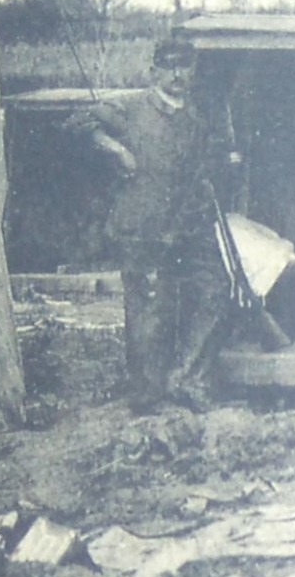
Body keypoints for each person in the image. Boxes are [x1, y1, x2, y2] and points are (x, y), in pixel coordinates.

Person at [74, 38, 240, 412]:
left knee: (215, 287)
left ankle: (188, 379)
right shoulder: (130, 107)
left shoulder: (197, 118)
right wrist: (116, 150)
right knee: (151, 308)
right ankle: (147, 396)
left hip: (188, 224)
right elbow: (78, 122)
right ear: (154, 72)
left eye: (185, 67)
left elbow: (215, 163)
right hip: (142, 225)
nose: (178, 75)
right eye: (169, 67)